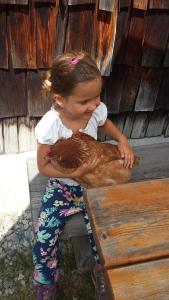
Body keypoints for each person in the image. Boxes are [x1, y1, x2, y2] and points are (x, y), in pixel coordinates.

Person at [32, 51, 134, 299]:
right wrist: (76, 172)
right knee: (44, 233)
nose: (93, 105)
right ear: (60, 99)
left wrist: (122, 140)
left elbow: (105, 123)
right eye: (84, 101)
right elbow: (44, 168)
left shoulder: (94, 112)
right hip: (62, 187)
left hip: (92, 185)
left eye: (97, 97)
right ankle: (45, 280)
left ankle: (102, 271)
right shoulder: (50, 126)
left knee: (105, 230)